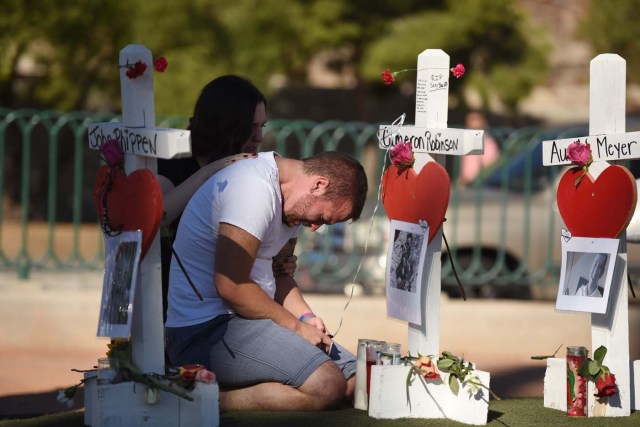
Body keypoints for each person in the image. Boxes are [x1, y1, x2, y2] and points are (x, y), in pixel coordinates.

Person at [165, 150, 368, 411]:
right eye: (323, 218)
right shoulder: (254, 188)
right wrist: (296, 328)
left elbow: (280, 275)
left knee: (354, 382)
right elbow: (230, 285)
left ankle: (236, 389)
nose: (316, 227)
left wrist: (306, 318)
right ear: (318, 185)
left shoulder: (292, 201)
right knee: (328, 386)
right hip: (205, 328)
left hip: (248, 321)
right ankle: (199, 398)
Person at [157, 75, 296, 322]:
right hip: (170, 300)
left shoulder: (251, 172)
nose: (259, 138)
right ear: (224, 124)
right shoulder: (175, 159)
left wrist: (279, 263)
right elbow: (157, 219)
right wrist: (210, 172)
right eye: (249, 127)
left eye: (261, 126)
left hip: (227, 309)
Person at [458, 111, 501, 185]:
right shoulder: (466, 141)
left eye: (475, 120)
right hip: (466, 182)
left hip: (480, 182)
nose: (471, 123)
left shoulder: (488, 142)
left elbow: (490, 163)